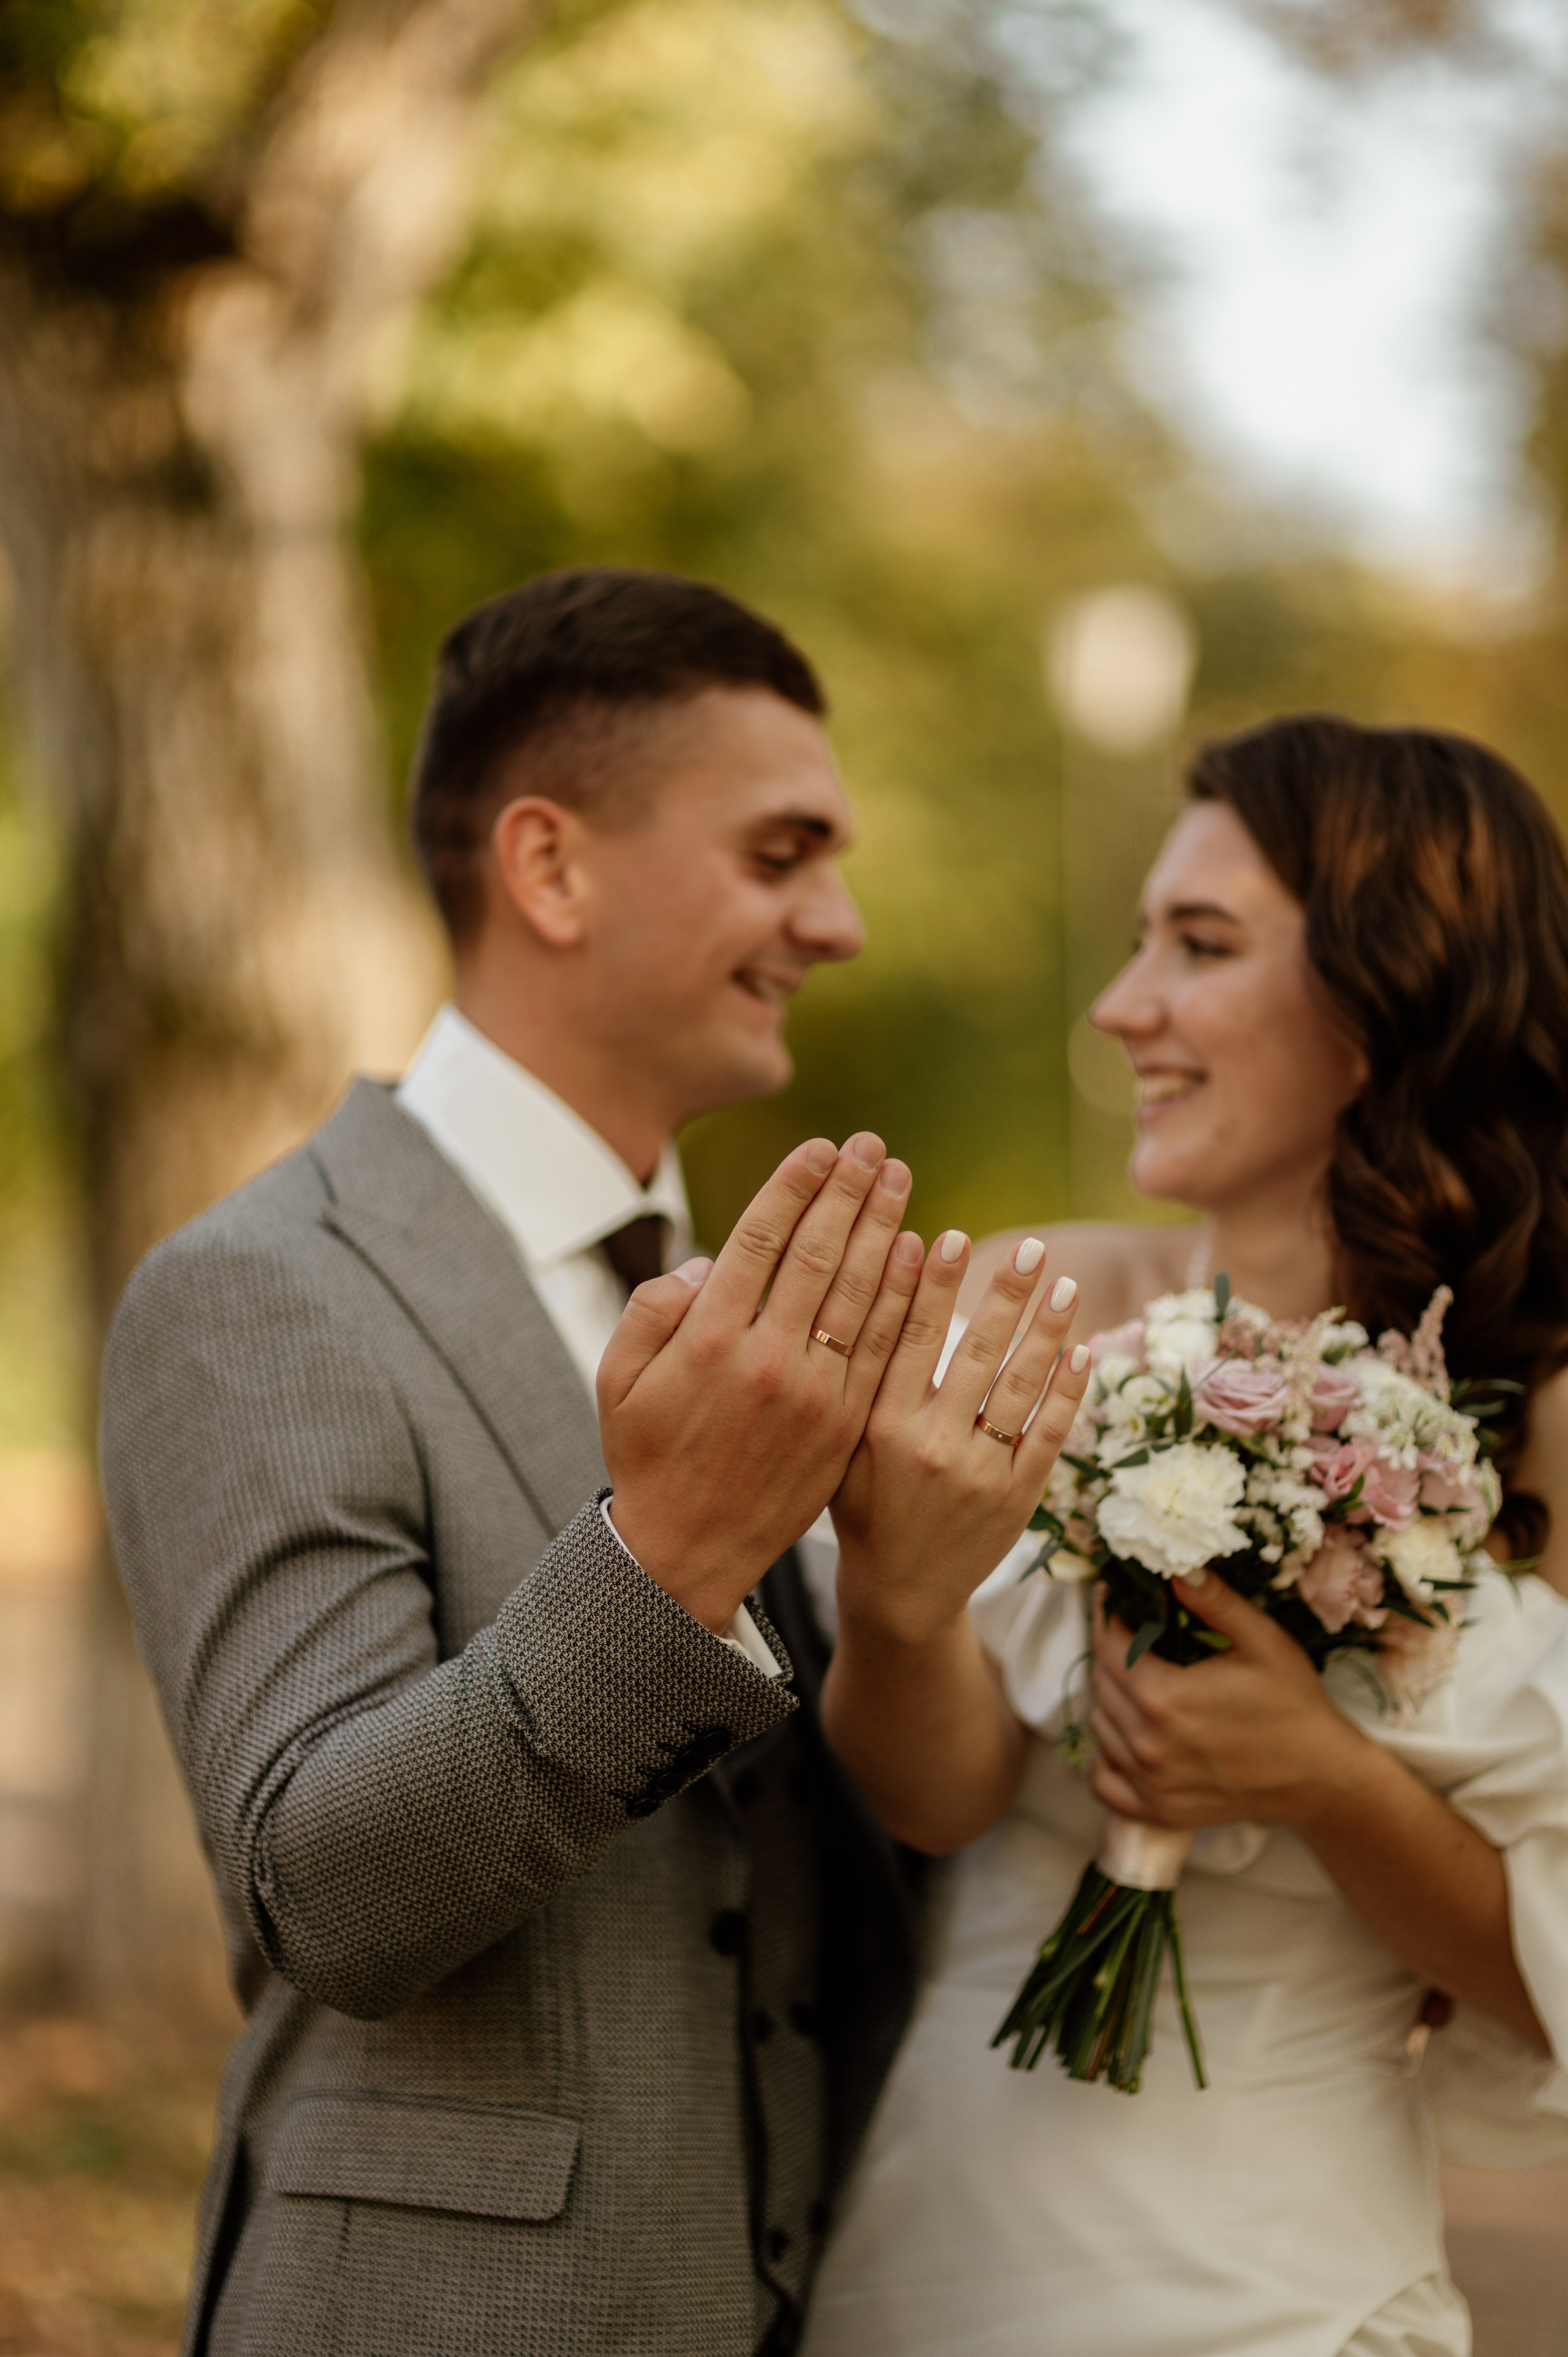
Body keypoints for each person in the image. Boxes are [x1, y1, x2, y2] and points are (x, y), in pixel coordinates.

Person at [101, 567, 963, 2357]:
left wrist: (908, 1603)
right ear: (552, 867)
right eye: (782, 853)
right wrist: (665, 1566)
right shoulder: (260, 1291)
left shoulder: (736, 1318)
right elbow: (319, 1892)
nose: (843, 921)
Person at [802, 714, 1568, 2357]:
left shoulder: (1545, 1410)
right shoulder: (1031, 1302)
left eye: (1197, 946)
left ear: (1385, 998)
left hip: (1286, 2277)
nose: (1119, 1003)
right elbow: (937, 1798)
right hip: (951, 2221)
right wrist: (902, 1603)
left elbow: (1544, 1971)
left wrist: (1326, 1779)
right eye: (1144, 937)